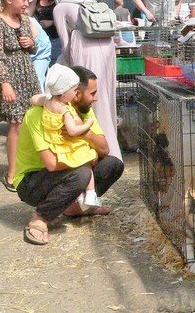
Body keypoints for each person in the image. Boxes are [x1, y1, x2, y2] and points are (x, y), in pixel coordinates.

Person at [14, 66, 124, 245]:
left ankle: (74, 208)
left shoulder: (81, 111)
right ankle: (40, 218)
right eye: (93, 93)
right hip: (32, 181)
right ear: (76, 93)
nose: (96, 98)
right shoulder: (38, 114)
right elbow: (51, 164)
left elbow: (104, 150)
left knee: (113, 165)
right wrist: (86, 157)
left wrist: (84, 133)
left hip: (66, 169)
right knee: (82, 173)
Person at [54, 0, 122, 162]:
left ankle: (90, 149)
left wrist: (69, 64)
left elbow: (64, 42)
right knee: (105, 98)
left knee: (83, 99)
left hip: (83, 50)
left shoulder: (60, 7)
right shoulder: (94, 3)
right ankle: (111, 147)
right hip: (107, 50)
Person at [0, 0, 41, 191]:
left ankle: (31, 167)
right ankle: (12, 173)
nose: (27, 3)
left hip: (27, 73)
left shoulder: (24, 20)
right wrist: (5, 84)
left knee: (32, 118)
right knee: (16, 123)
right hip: (10, 76)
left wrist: (31, 44)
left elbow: (33, 49)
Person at [30, 64, 101, 209]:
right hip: (66, 144)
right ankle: (90, 194)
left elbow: (33, 99)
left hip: (54, 144)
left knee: (76, 171)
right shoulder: (65, 110)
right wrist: (87, 125)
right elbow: (73, 131)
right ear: (64, 93)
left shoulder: (47, 103)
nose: (76, 94)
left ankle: (78, 198)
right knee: (86, 160)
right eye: (74, 90)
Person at [28, 0, 61, 65]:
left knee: (53, 67)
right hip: (40, 40)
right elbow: (28, 14)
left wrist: (52, 22)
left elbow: (67, 19)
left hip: (55, 40)